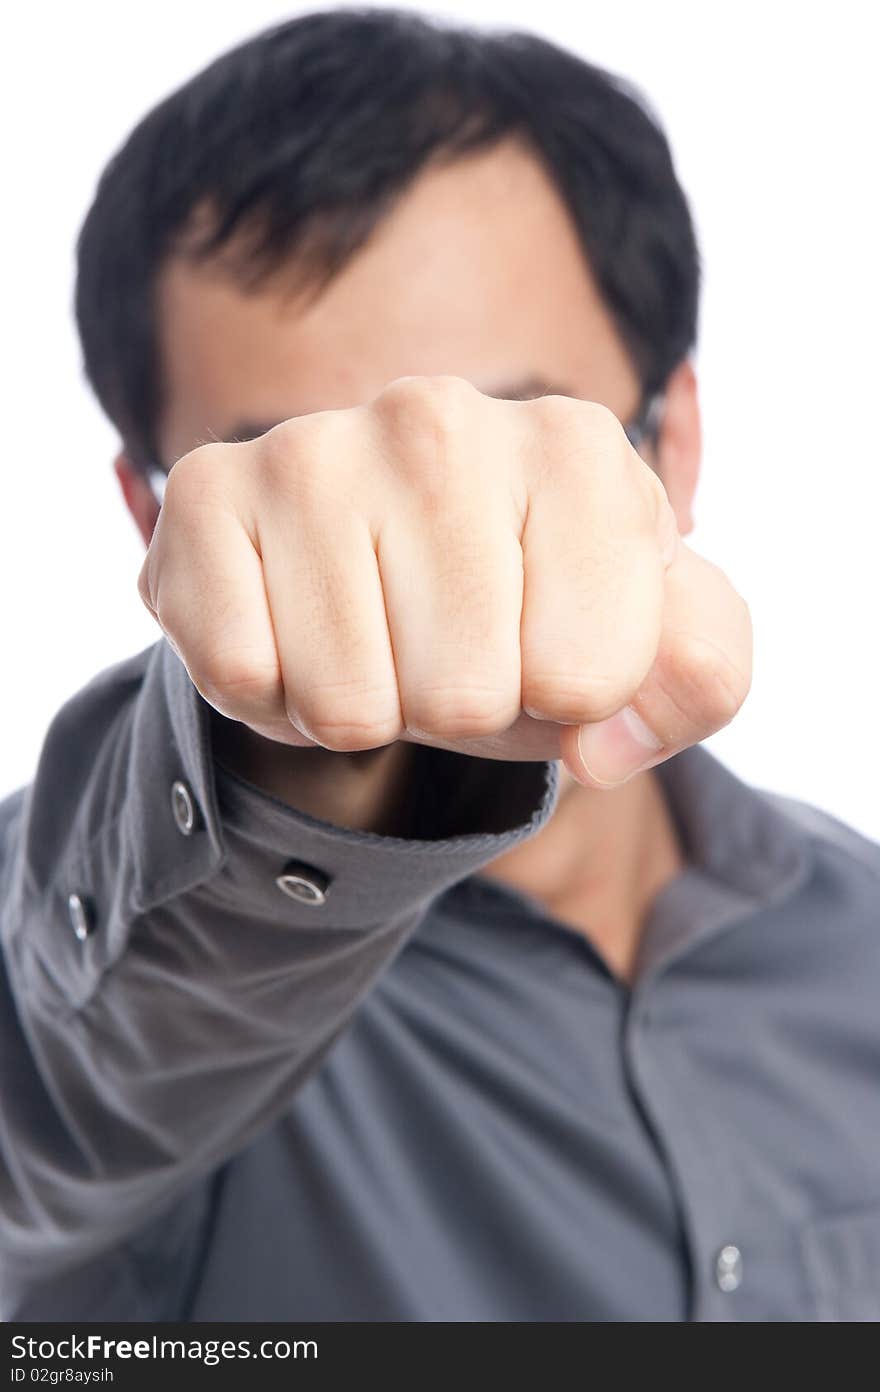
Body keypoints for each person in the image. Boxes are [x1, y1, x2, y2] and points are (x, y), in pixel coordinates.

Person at [1, 7, 878, 1324]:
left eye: (527, 432)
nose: (435, 521)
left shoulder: (857, 937)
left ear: (675, 441)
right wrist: (294, 753)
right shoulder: (93, 980)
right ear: (153, 522)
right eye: (295, 471)